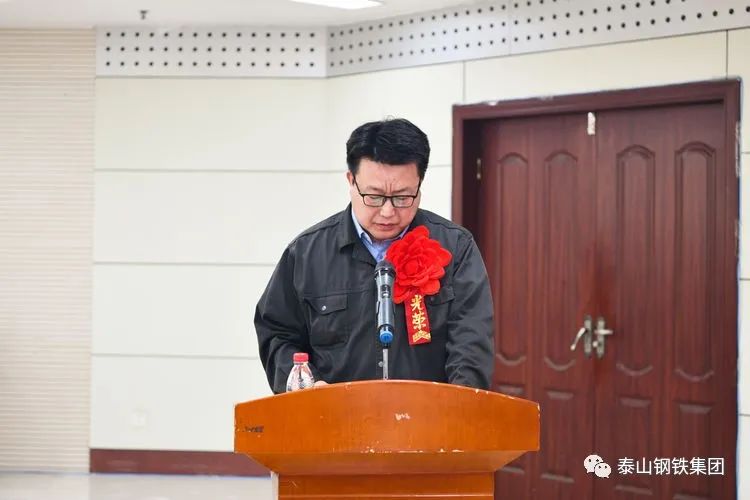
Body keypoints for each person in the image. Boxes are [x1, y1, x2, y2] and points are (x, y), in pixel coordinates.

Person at [254, 118, 494, 394]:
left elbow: (471, 343)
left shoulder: (456, 249)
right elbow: (278, 334)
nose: (388, 212)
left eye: (402, 197)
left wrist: (457, 404)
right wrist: (308, 385)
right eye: (374, 196)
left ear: (419, 185)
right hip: (336, 416)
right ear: (351, 181)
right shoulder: (307, 254)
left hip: (429, 417)